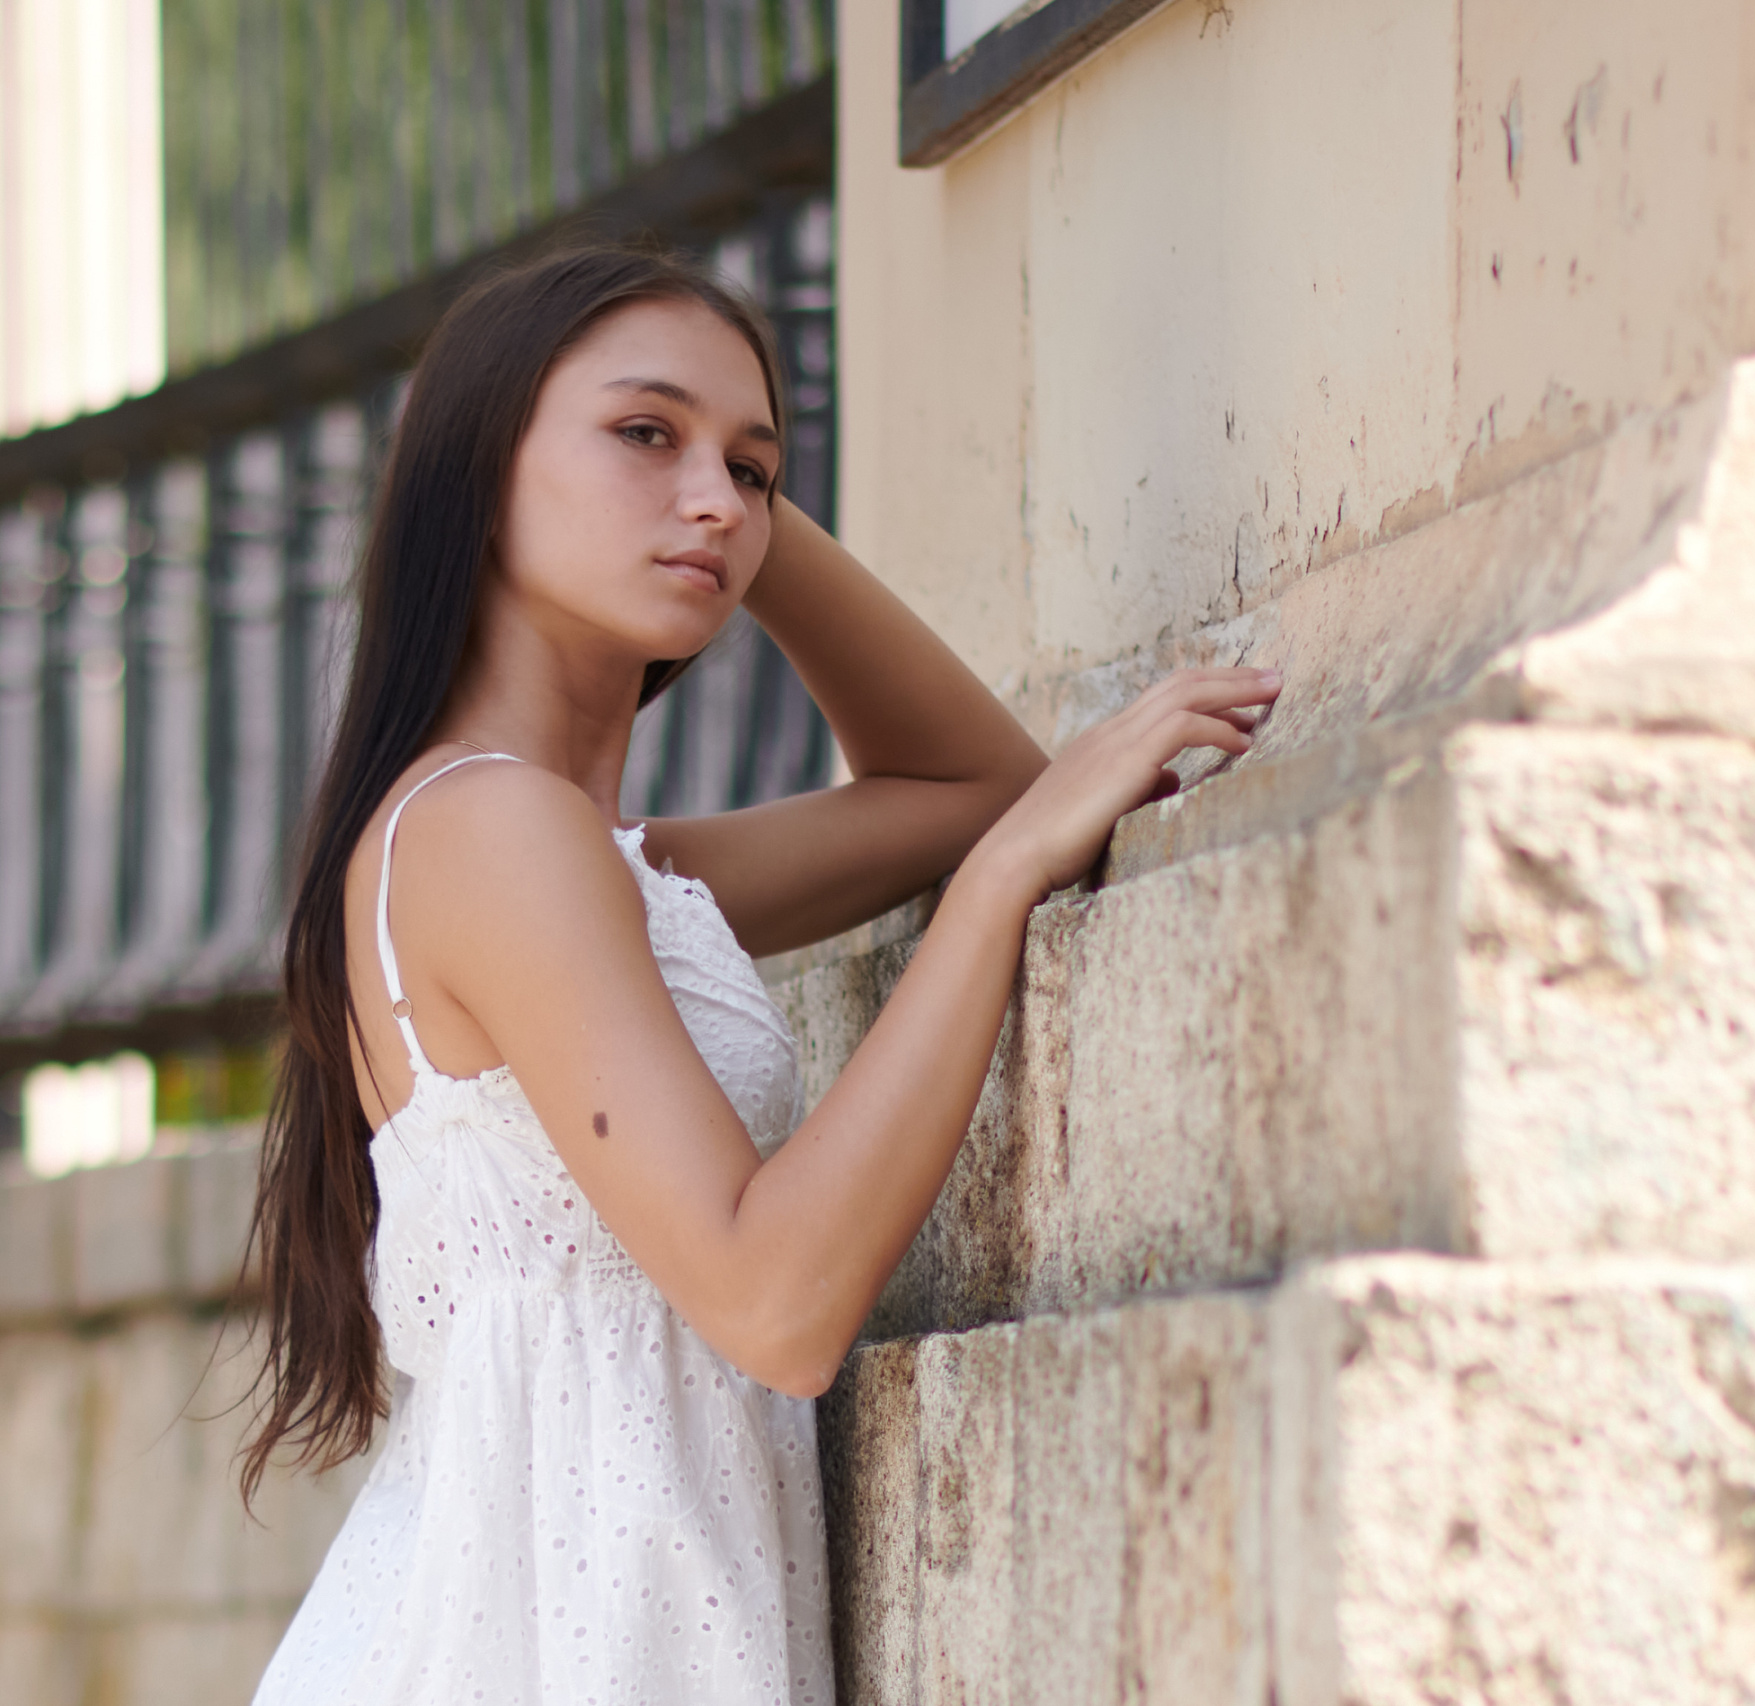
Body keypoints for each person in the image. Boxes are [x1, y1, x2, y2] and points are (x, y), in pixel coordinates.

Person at [242, 246, 1282, 1706]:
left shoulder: (587, 861)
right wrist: (999, 890)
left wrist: (719, 516)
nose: (720, 500)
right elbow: (775, 1302)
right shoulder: (494, 830)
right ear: (477, 469)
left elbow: (974, 784)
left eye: (755, 467)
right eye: (642, 431)